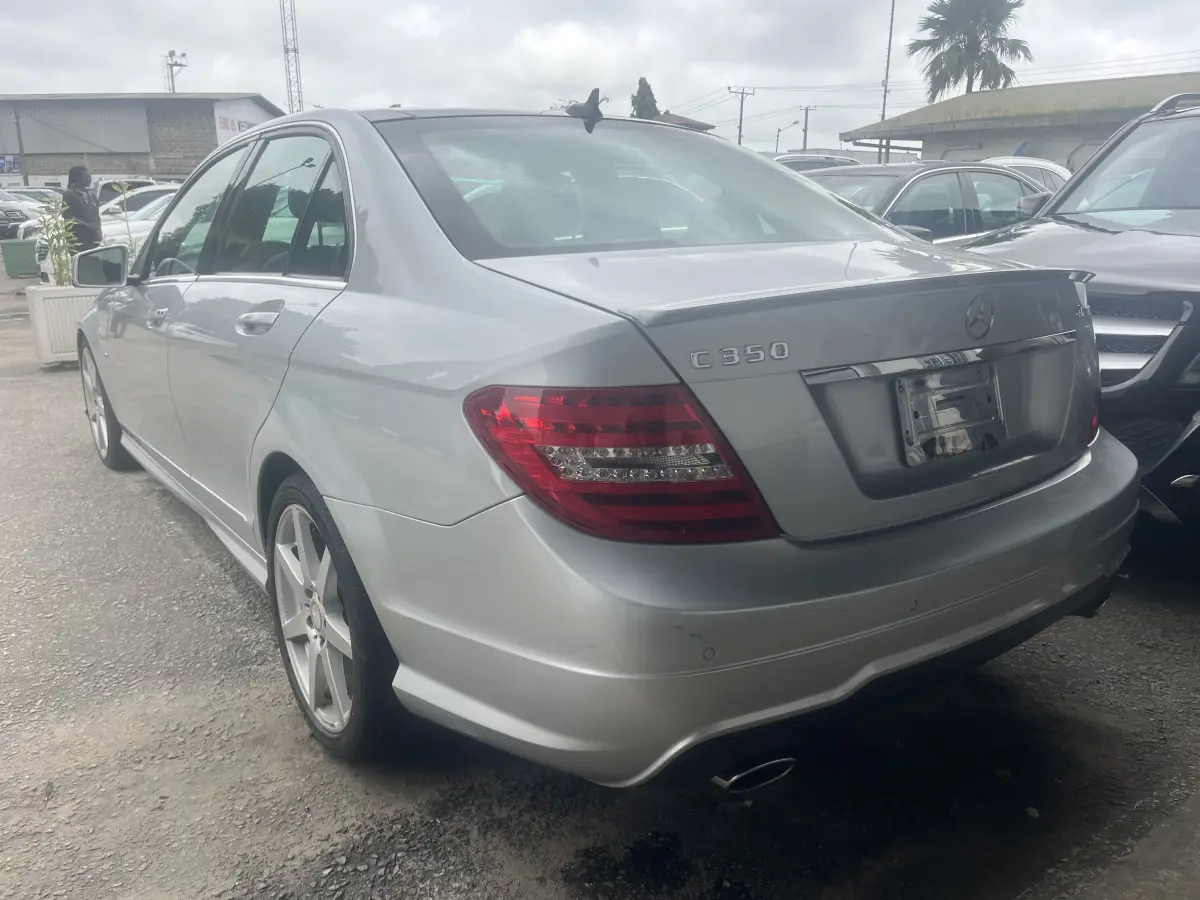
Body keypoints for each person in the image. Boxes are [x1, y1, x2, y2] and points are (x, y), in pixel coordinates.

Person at [62, 165, 102, 252]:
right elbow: (68, 216)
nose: (89, 179)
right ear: (78, 178)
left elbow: (97, 215)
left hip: (94, 239)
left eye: (90, 177)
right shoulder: (69, 195)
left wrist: (99, 231)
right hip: (78, 239)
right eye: (86, 177)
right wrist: (88, 225)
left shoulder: (92, 195)